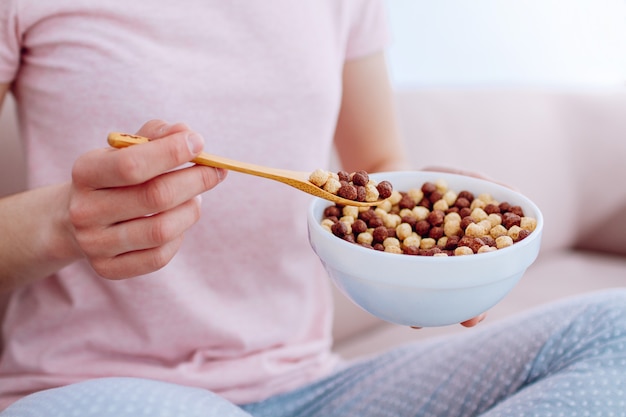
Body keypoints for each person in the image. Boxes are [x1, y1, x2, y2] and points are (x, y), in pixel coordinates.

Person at [0, 2, 624, 416]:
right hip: (96, 391)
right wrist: (60, 223)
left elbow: (377, 167)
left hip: (315, 389)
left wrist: (423, 244)